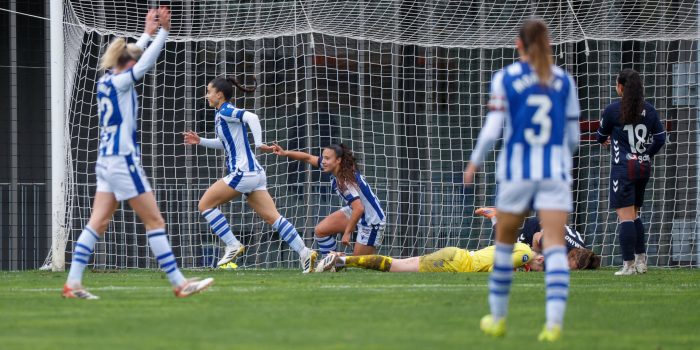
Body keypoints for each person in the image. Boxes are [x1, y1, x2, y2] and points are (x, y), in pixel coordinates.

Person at [63, 7, 213, 299]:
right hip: (122, 161)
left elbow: (133, 54)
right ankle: (180, 284)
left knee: (98, 221)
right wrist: (164, 33)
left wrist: (147, 32)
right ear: (128, 63)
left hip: (105, 161)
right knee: (155, 221)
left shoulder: (106, 79)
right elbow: (143, 63)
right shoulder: (122, 81)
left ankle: (72, 283)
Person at [463, 19, 580, 341]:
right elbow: (572, 138)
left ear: (518, 44)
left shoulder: (506, 77)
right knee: (555, 246)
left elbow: (492, 129)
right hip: (554, 172)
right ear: (547, 43)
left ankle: (498, 318)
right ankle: (554, 324)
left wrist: (475, 161)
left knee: (503, 247)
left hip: (517, 172)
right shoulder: (563, 81)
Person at [183, 78, 317, 273]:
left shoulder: (226, 110)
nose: (207, 95)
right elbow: (225, 143)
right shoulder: (221, 115)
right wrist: (200, 140)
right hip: (255, 174)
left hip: (243, 172)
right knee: (273, 218)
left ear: (219, 95)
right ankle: (305, 252)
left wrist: (259, 143)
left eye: (209, 91)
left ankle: (232, 245)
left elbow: (252, 117)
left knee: (205, 204)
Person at [596, 68, 666, 275]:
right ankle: (641, 261)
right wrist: (645, 155)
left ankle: (628, 265)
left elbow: (600, 135)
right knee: (635, 214)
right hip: (643, 168)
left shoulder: (612, 110)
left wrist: (606, 140)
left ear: (620, 87)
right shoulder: (650, 110)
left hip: (623, 169)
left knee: (625, 217)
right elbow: (660, 138)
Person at [270, 143, 386, 256]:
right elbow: (308, 157)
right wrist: (285, 153)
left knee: (359, 266)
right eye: (323, 157)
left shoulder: (344, 181)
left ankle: (339, 261)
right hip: (357, 211)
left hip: (371, 220)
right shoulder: (334, 168)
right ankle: (332, 263)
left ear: (338, 160)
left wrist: (347, 233)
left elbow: (359, 208)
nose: (323, 161)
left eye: (327, 158)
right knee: (320, 231)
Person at [315, 243, 539, 273]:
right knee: (396, 266)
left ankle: (342, 261)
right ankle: (341, 261)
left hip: (458, 254)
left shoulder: (519, 244)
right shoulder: (527, 254)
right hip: (458, 263)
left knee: (399, 263)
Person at [475, 207, 586, 253]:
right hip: (537, 227)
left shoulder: (581, 252)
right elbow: (537, 236)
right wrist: (534, 253)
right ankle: (495, 216)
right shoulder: (566, 249)